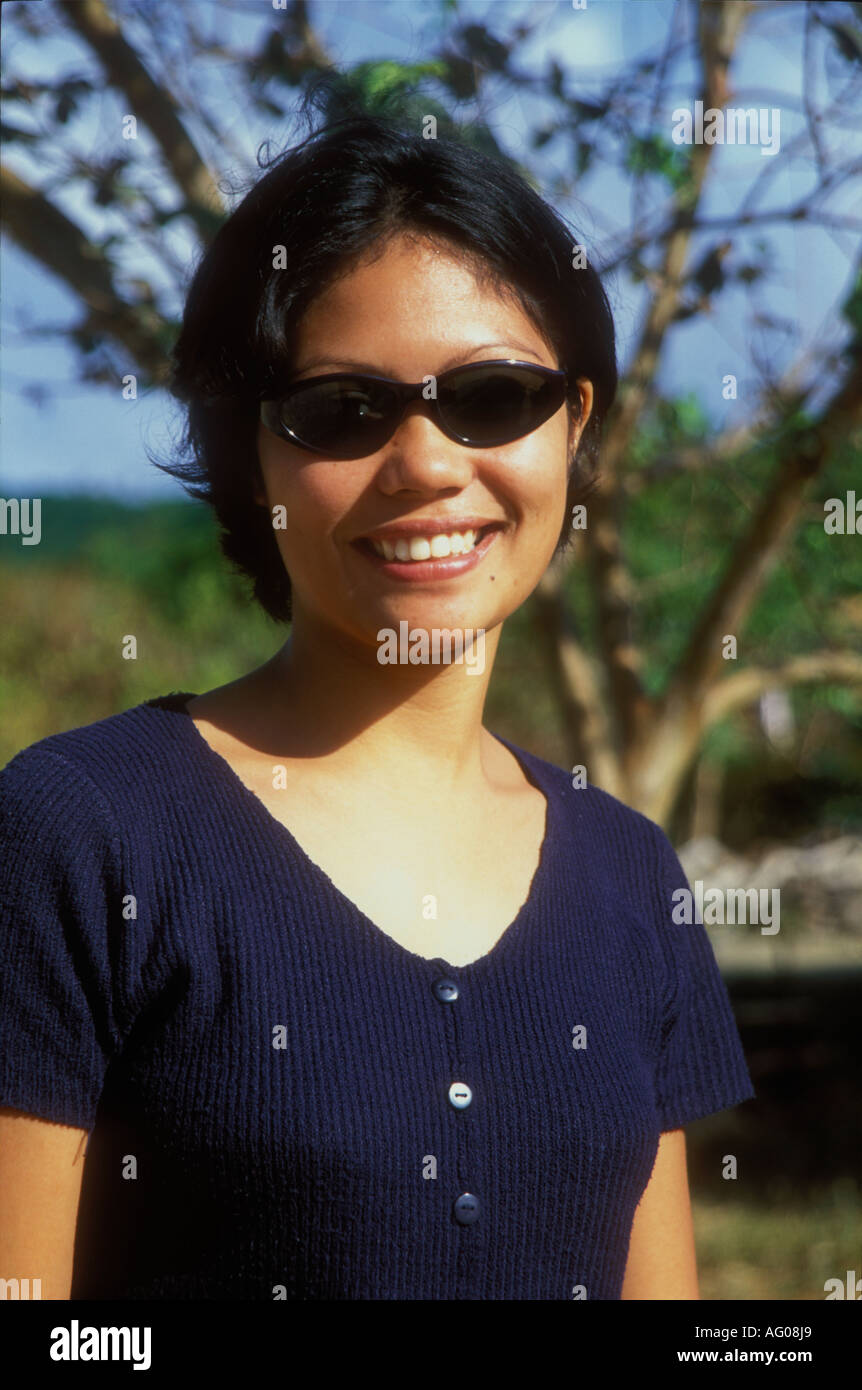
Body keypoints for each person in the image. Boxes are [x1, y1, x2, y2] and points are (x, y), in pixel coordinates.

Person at [0, 109, 754, 1301]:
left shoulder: (630, 876)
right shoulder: (78, 835)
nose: (426, 462)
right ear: (251, 457)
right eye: (342, 409)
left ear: (576, 425)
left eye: (493, 395)